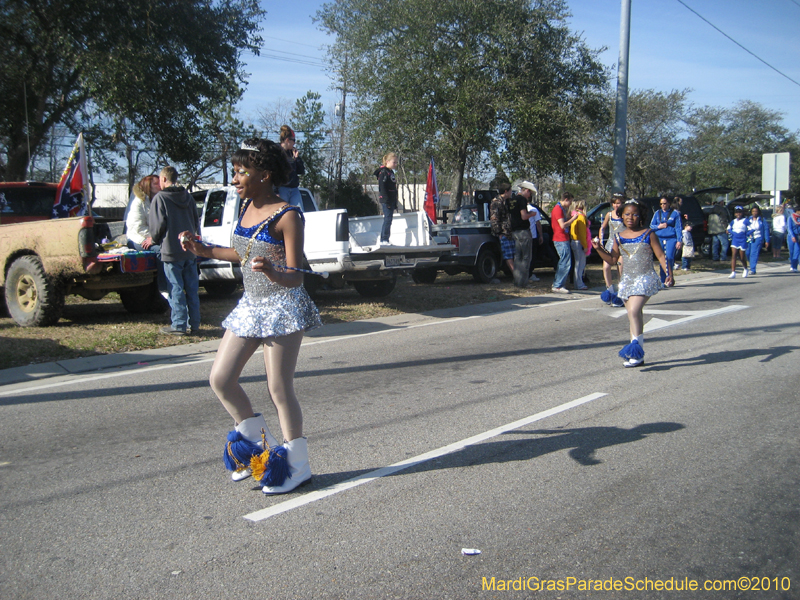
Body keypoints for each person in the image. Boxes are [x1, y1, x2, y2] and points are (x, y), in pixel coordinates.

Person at [180, 138, 322, 495]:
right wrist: (203, 249)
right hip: (251, 305)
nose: (235, 179)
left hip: (282, 305)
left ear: (266, 174)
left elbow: (297, 273)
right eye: (235, 172)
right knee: (221, 379)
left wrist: (274, 272)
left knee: (278, 387)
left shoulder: (288, 215)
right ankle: (260, 448)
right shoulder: (244, 209)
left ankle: (298, 465)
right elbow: (240, 253)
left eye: (242, 172)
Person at [591, 199, 672, 368]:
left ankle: (635, 350)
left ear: (640, 216)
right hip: (627, 281)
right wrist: (598, 248)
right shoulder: (618, 237)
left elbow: (662, 256)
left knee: (634, 310)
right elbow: (613, 259)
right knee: (633, 316)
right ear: (621, 216)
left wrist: (668, 274)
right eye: (627, 214)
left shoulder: (649, 234)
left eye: (634, 214)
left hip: (645, 278)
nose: (630, 217)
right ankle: (637, 354)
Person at [149, 166, 201, 335]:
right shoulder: (188, 196)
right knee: (192, 288)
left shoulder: (160, 198)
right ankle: (195, 323)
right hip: (189, 250)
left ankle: (179, 325)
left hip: (171, 251)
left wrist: (154, 240)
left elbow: (157, 227)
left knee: (175, 287)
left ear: (164, 179)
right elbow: (195, 221)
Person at [126, 174, 168, 295]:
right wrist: (154, 237)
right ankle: (163, 287)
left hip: (154, 237)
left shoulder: (159, 200)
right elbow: (137, 228)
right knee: (160, 250)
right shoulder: (139, 203)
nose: (159, 186)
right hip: (137, 239)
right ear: (148, 186)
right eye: (156, 184)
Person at [509, 182, 537, 287]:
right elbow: (524, 216)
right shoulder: (522, 200)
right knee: (526, 258)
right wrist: (532, 214)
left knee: (517, 257)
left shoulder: (512, 199)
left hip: (515, 231)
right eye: (530, 193)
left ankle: (517, 281)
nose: (529, 196)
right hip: (523, 231)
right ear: (527, 190)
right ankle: (523, 282)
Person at [599, 193, 625, 306]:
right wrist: (600, 239)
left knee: (621, 269)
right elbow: (603, 227)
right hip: (610, 244)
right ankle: (610, 291)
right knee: (606, 267)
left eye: (618, 203)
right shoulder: (609, 215)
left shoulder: (626, 215)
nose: (616, 205)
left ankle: (621, 293)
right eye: (614, 203)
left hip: (622, 245)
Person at [650, 196, 682, 285]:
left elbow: (678, 227)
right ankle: (663, 279)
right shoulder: (657, 213)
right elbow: (651, 226)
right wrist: (658, 227)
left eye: (664, 203)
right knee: (662, 258)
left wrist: (679, 240)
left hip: (671, 238)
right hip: (659, 238)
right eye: (661, 204)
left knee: (669, 257)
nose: (663, 205)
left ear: (668, 203)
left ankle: (670, 277)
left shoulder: (675, 213)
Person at [551, 192, 576, 293]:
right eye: (570, 201)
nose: (570, 203)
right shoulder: (558, 209)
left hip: (563, 237)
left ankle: (558, 283)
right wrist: (573, 219)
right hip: (560, 238)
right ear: (566, 199)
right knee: (565, 262)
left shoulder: (561, 209)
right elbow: (562, 225)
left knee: (563, 261)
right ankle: (558, 285)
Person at [489, 182, 515, 276]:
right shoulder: (496, 202)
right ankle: (516, 275)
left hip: (510, 232)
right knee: (508, 255)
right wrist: (499, 232)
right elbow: (494, 218)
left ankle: (517, 274)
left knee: (513, 253)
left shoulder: (508, 202)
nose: (511, 192)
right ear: (506, 191)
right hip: (503, 232)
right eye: (510, 190)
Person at [276, 126, 306, 207]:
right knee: (282, 214)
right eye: (293, 140)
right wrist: (275, 191)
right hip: (282, 189)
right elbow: (272, 172)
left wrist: (297, 158)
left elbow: (301, 171)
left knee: (299, 213)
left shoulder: (292, 152)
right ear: (287, 140)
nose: (294, 143)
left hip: (294, 189)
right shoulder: (276, 152)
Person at [374, 153, 399, 245]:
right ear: (387, 162)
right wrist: (386, 200)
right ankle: (383, 239)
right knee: (387, 219)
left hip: (391, 200)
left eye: (396, 162)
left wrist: (394, 202)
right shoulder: (383, 172)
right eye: (394, 162)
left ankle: (386, 239)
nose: (395, 164)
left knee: (389, 219)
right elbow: (383, 188)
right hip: (386, 200)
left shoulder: (391, 172)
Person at [569, 199, 589, 290]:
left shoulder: (574, 216)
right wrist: (585, 246)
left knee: (578, 264)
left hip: (574, 241)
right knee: (580, 264)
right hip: (579, 242)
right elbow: (582, 234)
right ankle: (579, 283)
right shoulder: (581, 217)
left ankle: (577, 283)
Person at [744, 206, 770, 275]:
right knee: (747, 253)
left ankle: (753, 269)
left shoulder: (761, 219)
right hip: (749, 238)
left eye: (756, 211)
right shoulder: (748, 219)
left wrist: (767, 240)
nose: (754, 213)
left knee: (753, 253)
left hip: (758, 237)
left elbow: (766, 230)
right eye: (753, 211)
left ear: (758, 212)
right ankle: (751, 264)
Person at [727, 205, 749, 278]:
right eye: (737, 212)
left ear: (742, 213)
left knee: (741, 257)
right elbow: (728, 229)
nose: (738, 214)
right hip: (735, 239)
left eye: (739, 212)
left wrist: (746, 234)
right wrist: (733, 233)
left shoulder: (745, 221)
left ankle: (745, 269)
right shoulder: (733, 221)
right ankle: (733, 272)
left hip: (742, 239)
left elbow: (752, 228)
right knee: (734, 255)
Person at [788, 204, 800, 272]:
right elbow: (789, 228)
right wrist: (792, 236)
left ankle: (795, 266)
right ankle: (792, 265)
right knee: (792, 251)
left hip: (798, 236)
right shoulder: (791, 217)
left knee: (797, 251)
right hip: (791, 236)